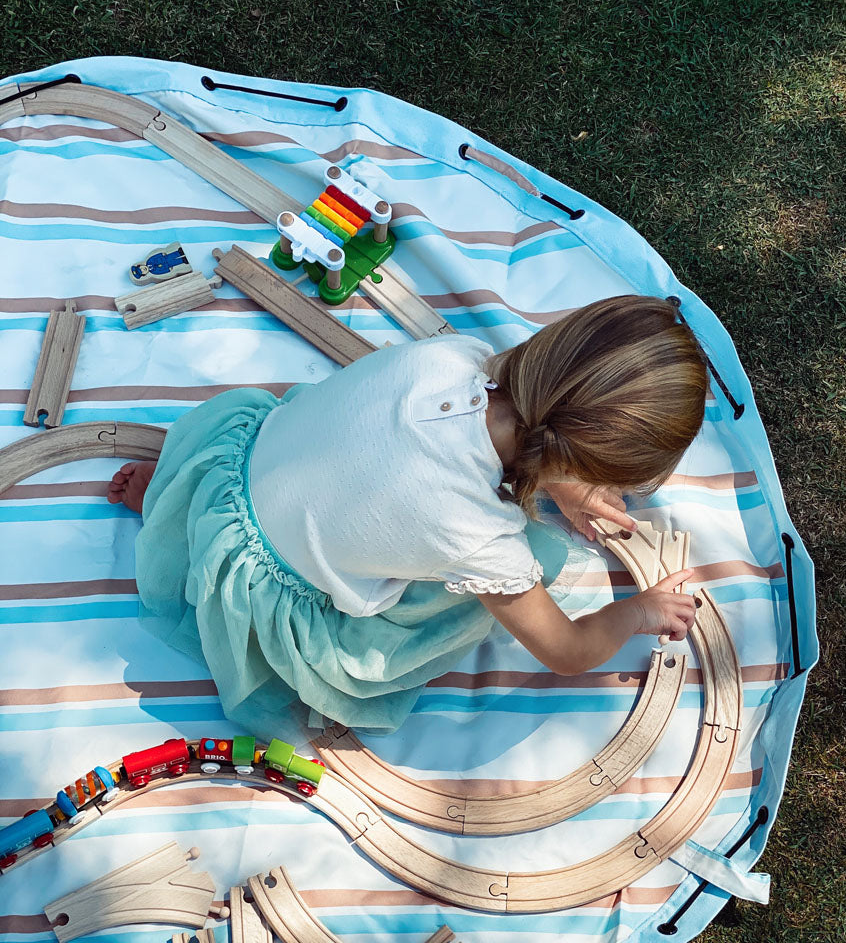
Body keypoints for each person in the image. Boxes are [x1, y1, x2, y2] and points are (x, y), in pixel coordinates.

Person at [107, 294, 707, 738]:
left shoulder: (454, 357)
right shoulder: (480, 537)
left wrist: (567, 485)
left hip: (233, 479)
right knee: (500, 579)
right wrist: (636, 611)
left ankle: (173, 509)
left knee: (367, 494)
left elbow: (441, 452)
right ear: (581, 459)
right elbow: (567, 651)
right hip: (266, 588)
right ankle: (199, 568)